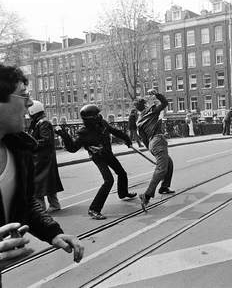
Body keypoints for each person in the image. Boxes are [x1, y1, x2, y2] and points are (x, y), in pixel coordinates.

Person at [0, 65, 83, 275]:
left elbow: (26, 204)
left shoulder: (19, 149)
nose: (29, 103)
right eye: (23, 95)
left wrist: (52, 232)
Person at [56, 104, 136, 220]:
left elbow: (115, 131)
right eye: (97, 115)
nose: (99, 116)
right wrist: (64, 135)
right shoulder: (83, 133)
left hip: (107, 153)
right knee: (109, 180)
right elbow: (73, 148)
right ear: (91, 118)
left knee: (122, 173)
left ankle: (123, 193)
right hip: (98, 157)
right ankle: (94, 209)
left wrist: (127, 139)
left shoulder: (102, 124)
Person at [135, 89, 175, 213]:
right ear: (146, 105)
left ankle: (164, 187)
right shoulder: (151, 111)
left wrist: (152, 149)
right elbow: (164, 103)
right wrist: (157, 94)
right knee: (161, 169)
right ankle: (146, 195)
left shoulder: (139, 121)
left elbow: (144, 139)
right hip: (158, 140)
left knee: (169, 162)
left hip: (152, 143)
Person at [27, 100, 63, 213]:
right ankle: (54, 204)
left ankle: (41, 208)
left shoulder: (43, 123)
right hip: (44, 158)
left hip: (41, 159)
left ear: (33, 111)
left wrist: (31, 144)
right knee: (48, 183)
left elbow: (45, 140)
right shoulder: (41, 122)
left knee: (38, 185)